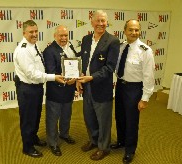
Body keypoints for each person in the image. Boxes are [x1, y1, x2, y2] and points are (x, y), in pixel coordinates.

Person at [13, 20, 65, 158]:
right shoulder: (23, 50)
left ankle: (33, 138)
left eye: (36, 31)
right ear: (24, 33)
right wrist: (53, 77)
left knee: (35, 116)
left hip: (35, 88)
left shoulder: (33, 45)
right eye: (31, 32)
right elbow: (32, 74)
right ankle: (28, 147)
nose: (34, 34)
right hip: (28, 89)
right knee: (28, 119)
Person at [76, 10, 120, 161]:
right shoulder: (86, 39)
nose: (100, 24)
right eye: (98, 21)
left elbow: (110, 68)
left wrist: (91, 77)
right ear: (92, 22)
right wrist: (79, 77)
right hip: (87, 87)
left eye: (103, 21)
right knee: (89, 118)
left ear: (107, 22)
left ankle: (103, 147)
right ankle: (94, 140)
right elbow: (82, 60)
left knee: (103, 121)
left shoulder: (113, 41)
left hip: (101, 88)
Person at [110, 19, 155, 163]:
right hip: (121, 86)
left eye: (136, 30)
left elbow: (149, 76)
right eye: (131, 30)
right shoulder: (121, 47)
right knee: (120, 116)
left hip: (134, 89)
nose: (134, 33)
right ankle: (121, 141)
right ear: (125, 31)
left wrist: (145, 98)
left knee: (131, 121)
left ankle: (130, 150)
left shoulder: (145, 51)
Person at [43, 25, 76, 156]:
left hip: (69, 89)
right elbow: (51, 72)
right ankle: (52, 143)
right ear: (55, 36)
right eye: (61, 35)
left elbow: (75, 64)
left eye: (66, 35)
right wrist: (68, 79)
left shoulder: (70, 47)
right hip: (56, 90)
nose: (64, 38)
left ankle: (64, 134)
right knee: (52, 117)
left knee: (66, 114)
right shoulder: (49, 51)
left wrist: (76, 78)